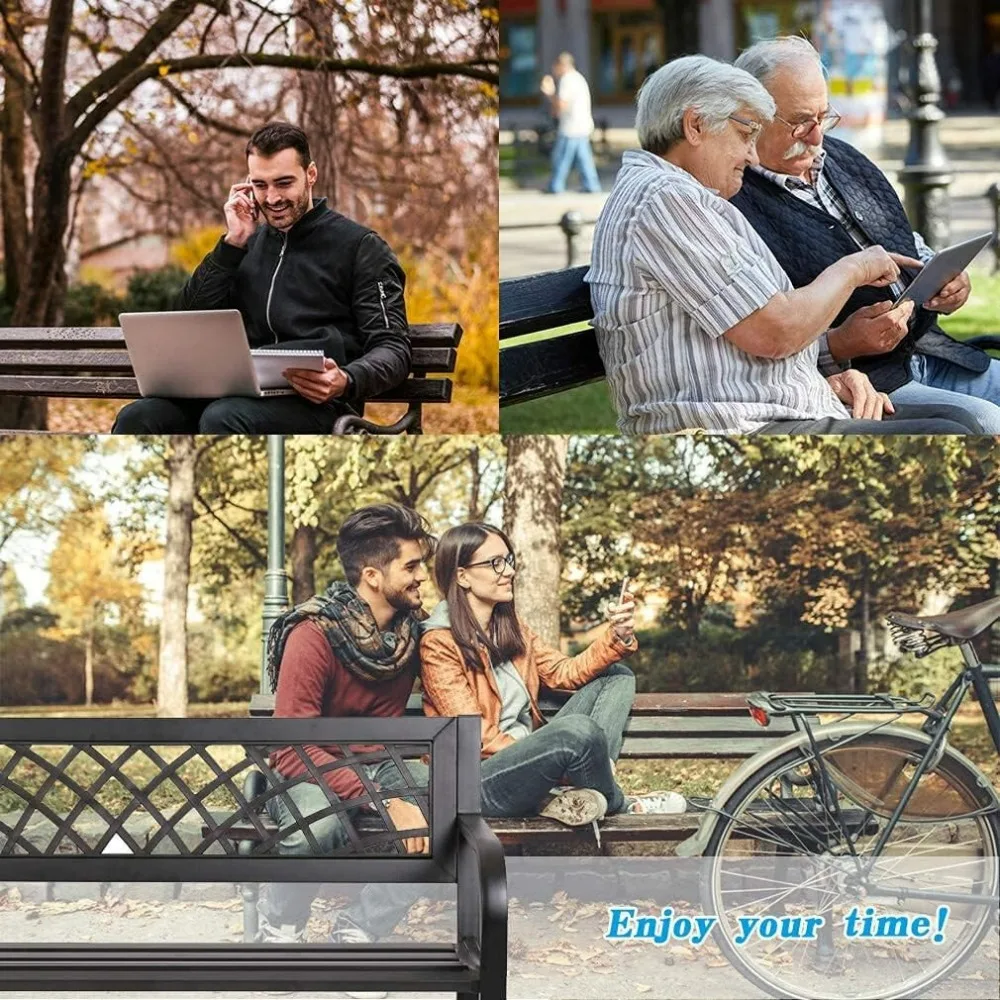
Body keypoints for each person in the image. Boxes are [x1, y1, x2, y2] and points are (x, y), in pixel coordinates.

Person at [585, 55, 982, 435]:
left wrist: (827, 380)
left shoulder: (687, 197)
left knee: (963, 425)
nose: (752, 154)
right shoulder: (665, 198)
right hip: (736, 427)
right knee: (955, 434)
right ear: (695, 126)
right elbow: (777, 332)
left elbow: (752, 339)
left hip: (779, 410)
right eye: (744, 134)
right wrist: (853, 268)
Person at [730, 36, 1000, 433]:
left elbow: (903, 239)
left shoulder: (844, 159)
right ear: (750, 116)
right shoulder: (734, 198)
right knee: (985, 425)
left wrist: (945, 280)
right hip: (869, 384)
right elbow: (758, 336)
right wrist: (839, 342)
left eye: (824, 117)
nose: (817, 136)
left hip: (936, 354)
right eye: (801, 122)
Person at [112, 121, 410, 434]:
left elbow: (393, 347)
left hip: (318, 405)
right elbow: (188, 318)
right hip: (233, 394)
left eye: (283, 183)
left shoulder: (361, 246)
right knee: (140, 416)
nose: (271, 198)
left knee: (223, 417)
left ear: (311, 175)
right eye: (260, 185)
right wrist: (233, 242)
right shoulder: (243, 245)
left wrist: (347, 379)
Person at [256, 502, 434, 986]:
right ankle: (281, 921)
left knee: (451, 810)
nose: (422, 576)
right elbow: (290, 745)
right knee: (323, 824)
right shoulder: (315, 633)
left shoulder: (410, 634)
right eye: (412, 566)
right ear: (373, 576)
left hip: (382, 763)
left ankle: (359, 930)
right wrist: (384, 800)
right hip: (308, 763)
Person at [420, 522, 685, 829]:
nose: (508, 571)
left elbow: (563, 673)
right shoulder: (438, 643)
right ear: (461, 575)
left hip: (532, 761)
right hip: (479, 782)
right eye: (495, 563)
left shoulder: (510, 627)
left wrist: (616, 636)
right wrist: (546, 755)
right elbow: (474, 737)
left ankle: (580, 789)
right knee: (576, 731)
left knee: (617, 675)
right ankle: (618, 802)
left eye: (508, 560)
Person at [541, 53, 602, 195]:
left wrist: (549, 93)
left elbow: (561, 105)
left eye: (555, 67)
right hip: (582, 125)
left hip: (571, 127)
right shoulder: (578, 78)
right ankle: (591, 186)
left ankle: (555, 186)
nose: (554, 71)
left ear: (562, 65)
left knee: (561, 157)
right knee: (584, 159)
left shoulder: (567, 80)